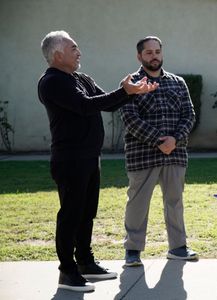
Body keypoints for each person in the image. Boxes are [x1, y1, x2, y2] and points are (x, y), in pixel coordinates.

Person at [38, 30, 158, 292]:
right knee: (70, 214)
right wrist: (124, 92)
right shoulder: (52, 82)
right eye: (73, 48)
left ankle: (85, 263)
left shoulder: (80, 78)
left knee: (87, 213)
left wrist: (132, 92)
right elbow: (85, 105)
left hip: (90, 158)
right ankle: (67, 272)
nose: (79, 52)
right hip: (69, 160)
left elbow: (106, 103)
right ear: (57, 54)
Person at [120, 36, 198, 267]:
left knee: (174, 202)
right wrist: (158, 140)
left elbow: (189, 115)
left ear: (162, 53)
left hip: (175, 153)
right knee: (137, 203)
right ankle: (132, 250)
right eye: (148, 52)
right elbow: (130, 119)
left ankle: (178, 247)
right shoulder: (130, 84)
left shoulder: (178, 82)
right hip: (142, 155)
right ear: (139, 56)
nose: (154, 56)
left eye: (157, 51)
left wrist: (174, 139)